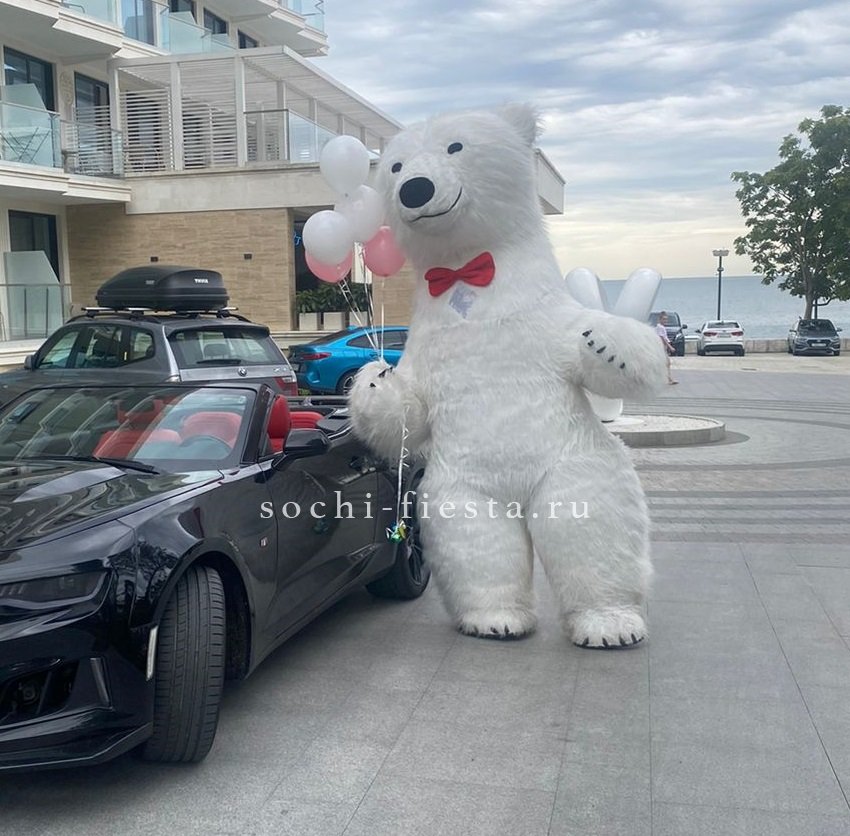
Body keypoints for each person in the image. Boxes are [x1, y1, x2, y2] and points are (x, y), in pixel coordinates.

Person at [655, 312, 678, 384]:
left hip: (662, 347)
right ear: (660, 319)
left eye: (666, 319)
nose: (665, 321)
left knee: (666, 363)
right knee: (666, 363)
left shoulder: (660, 327)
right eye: (664, 319)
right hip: (661, 348)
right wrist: (670, 347)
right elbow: (662, 338)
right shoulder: (660, 327)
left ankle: (668, 378)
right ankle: (669, 379)